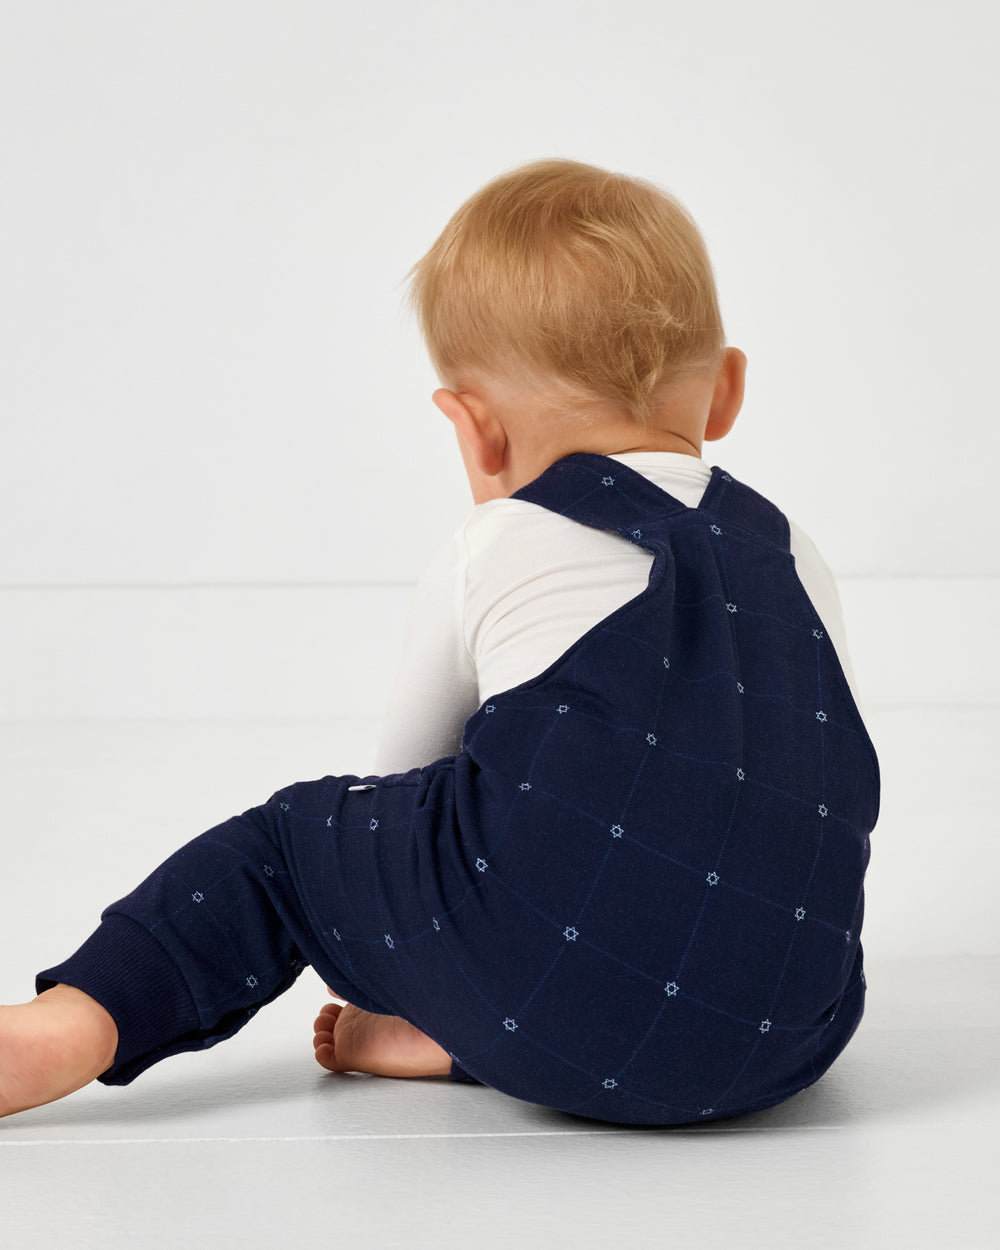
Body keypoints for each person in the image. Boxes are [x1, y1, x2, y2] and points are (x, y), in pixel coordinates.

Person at [0, 159, 879, 1125]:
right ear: (726, 393)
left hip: (552, 997)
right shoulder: (793, 551)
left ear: (475, 432)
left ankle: (75, 1021)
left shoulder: (499, 540)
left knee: (292, 846)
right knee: (723, 879)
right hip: (789, 1035)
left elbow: (407, 786)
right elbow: (799, 770)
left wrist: (407, 956)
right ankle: (483, 1034)